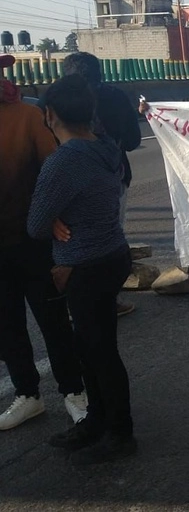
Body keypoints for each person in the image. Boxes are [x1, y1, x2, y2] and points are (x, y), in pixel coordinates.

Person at [28, 74, 136, 464]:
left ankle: (119, 432)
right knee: (92, 347)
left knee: (99, 351)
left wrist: (53, 219)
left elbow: (35, 224)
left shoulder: (64, 161)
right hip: (112, 255)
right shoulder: (105, 146)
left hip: (85, 265)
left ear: (50, 115)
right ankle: (97, 419)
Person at [0, 55, 88, 432]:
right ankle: (27, 394)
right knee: (7, 325)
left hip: (33, 240)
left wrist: (51, 216)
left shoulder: (27, 116)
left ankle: (73, 391)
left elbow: (54, 171)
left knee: (53, 321)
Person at [61, 52, 141, 317]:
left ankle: (71, 300)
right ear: (100, 73)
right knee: (109, 236)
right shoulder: (115, 97)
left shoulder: (53, 100)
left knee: (68, 239)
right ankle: (107, 300)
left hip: (65, 179)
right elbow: (132, 140)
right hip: (112, 178)